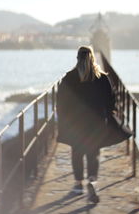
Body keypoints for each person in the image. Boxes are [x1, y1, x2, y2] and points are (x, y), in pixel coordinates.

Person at [56, 45, 115, 203]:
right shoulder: (102, 77)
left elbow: (60, 101)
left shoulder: (69, 77)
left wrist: (63, 119)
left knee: (77, 152)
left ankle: (78, 184)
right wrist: (108, 117)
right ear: (93, 58)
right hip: (96, 123)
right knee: (93, 153)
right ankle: (92, 181)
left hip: (76, 123)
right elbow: (111, 100)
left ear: (77, 58)